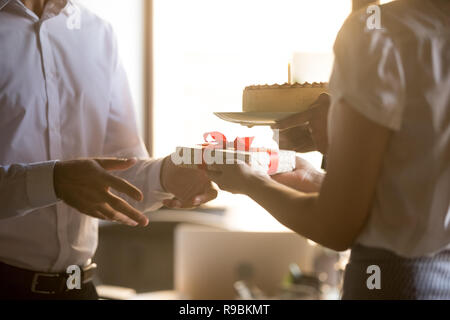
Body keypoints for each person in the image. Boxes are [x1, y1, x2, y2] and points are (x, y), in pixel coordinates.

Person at [206, 0, 450, 299]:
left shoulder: (378, 33)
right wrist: (317, 180)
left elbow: (334, 228)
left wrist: (249, 181)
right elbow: (413, 201)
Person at [0, 0, 216, 299]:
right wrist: (54, 181)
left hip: (79, 288)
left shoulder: (98, 33)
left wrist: (167, 174)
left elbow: (120, 171)